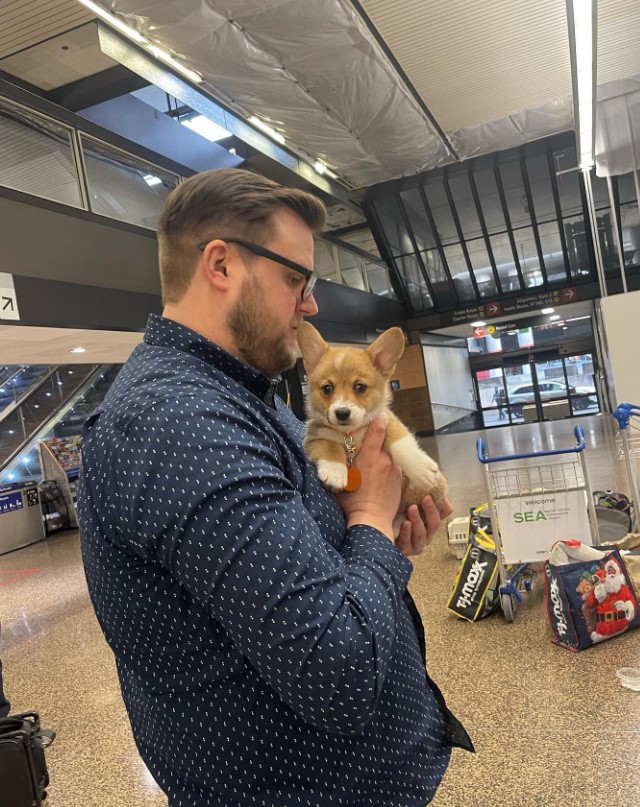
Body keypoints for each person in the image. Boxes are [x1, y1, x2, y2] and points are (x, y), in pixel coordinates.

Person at [78, 168, 473, 807]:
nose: (311, 303)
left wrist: (380, 544)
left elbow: (309, 569)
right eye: (296, 279)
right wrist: (371, 516)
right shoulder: (181, 422)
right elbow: (337, 675)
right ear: (221, 265)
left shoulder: (240, 398)